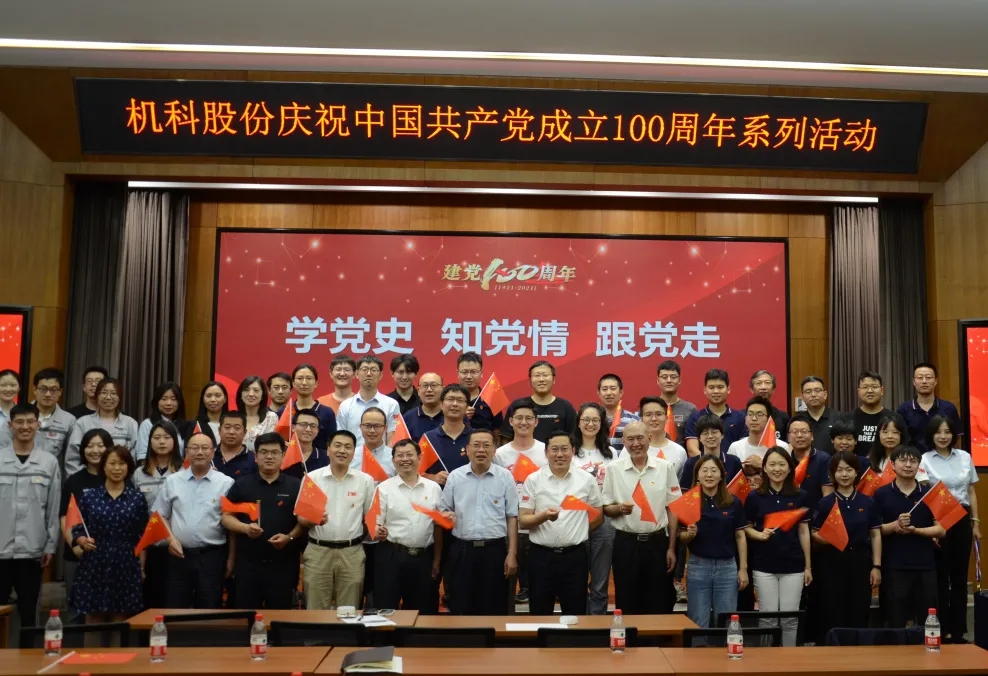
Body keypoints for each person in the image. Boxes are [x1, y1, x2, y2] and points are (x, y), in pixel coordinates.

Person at [520, 431, 602, 616]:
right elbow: (523, 521)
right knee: (540, 612)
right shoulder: (533, 480)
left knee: (575, 612)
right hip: (541, 557)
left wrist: (578, 531)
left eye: (564, 449)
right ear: (546, 453)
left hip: (575, 557)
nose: (559, 454)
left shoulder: (586, 480)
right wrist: (543, 517)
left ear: (573, 451)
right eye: (554, 449)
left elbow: (598, 516)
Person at [601, 421, 679, 614]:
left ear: (649, 439)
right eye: (630, 439)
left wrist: (671, 547)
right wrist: (618, 508)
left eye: (640, 438)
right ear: (623, 442)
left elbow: (673, 508)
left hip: (658, 543)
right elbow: (606, 508)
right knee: (627, 600)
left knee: (659, 601)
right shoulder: (614, 469)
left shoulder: (665, 467)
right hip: (626, 544)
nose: (636, 444)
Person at [221, 433, 305, 610]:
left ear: (283, 455)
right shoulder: (242, 484)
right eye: (264, 452)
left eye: (275, 452)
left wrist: (289, 537)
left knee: (280, 617)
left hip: (283, 565)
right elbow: (226, 517)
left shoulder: (296, 485)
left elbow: (304, 522)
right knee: (247, 616)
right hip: (248, 566)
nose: (269, 456)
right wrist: (245, 528)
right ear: (255, 456)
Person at [440, 429, 518, 615]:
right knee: (461, 605)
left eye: (486, 445)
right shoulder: (455, 477)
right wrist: (446, 516)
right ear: (467, 449)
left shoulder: (505, 477)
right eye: (476, 445)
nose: (481, 450)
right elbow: (443, 511)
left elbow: (512, 516)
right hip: (462, 550)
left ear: (494, 450)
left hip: (495, 551)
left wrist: (512, 553)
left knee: (494, 606)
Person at [153, 431, 235, 608]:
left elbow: (231, 524)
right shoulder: (172, 481)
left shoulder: (226, 483)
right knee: (176, 607)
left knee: (209, 607)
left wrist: (231, 558)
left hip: (212, 556)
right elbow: (160, 515)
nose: (199, 452)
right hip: (179, 555)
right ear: (187, 452)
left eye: (205, 448)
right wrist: (171, 540)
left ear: (213, 452)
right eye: (194, 448)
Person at [69, 446, 148, 622]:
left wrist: (142, 568)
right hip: (94, 563)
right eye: (112, 463)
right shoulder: (89, 497)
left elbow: (142, 536)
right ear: (103, 467)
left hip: (126, 564)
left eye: (122, 463)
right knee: (92, 620)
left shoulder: (137, 499)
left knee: (120, 621)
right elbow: (78, 528)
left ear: (129, 467)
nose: (117, 468)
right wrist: (82, 540)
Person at [744, 447, 812, 647]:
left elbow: (804, 532)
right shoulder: (755, 497)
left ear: (790, 468)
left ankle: (790, 660)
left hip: (794, 566)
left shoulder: (800, 496)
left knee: (790, 619)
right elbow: (746, 528)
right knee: (768, 619)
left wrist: (808, 566)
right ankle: (767, 659)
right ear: (764, 468)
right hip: (764, 566)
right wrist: (759, 535)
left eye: (782, 464)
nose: (777, 469)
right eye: (772, 464)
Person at [921, 415, 980, 643]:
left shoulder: (964, 457)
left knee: (959, 577)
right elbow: (924, 495)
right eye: (938, 432)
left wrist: (976, 522)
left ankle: (958, 631)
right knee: (940, 576)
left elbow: (971, 492)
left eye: (947, 432)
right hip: (939, 520)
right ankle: (942, 629)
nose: (943, 436)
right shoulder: (924, 459)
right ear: (931, 435)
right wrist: (932, 526)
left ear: (953, 434)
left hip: (962, 518)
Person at [0, 404, 60, 629]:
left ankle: (28, 651)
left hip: (32, 550)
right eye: (19, 422)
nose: (24, 427)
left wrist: (50, 546)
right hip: (0, 550)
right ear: (10, 425)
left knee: (29, 617)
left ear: (37, 424)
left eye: (29, 422)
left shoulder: (48, 462)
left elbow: (53, 508)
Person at [811, 451, 882, 641]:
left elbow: (875, 534)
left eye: (849, 470)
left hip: (860, 562)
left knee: (859, 608)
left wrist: (876, 566)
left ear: (856, 472)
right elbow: (814, 532)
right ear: (832, 474)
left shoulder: (868, 502)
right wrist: (829, 539)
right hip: (832, 562)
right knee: (832, 609)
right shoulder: (825, 503)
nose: (844, 474)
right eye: (839, 470)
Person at [874, 445, 945, 628]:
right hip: (894, 567)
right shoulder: (881, 494)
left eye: (913, 461)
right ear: (892, 464)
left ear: (919, 466)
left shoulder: (929, 493)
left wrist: (916, 531)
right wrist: (895, 526)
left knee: (927, 622)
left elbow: (941, 530)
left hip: (925, 566)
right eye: (903, 460)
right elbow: (875, 530)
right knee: (895, 621)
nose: (908, 465)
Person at [303, 430, 375, 610]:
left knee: (350, 610)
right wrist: (314, 520)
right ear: (328, 450)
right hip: (318, 551)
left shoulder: (365, 481)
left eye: (348, 447)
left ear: (353, 452)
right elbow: (301, 519)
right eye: (337, 445)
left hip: (352, 553)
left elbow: (370, 519)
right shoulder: (312, 478)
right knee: (315, 609)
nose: (342, 450)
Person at [374, 439, 443, 613]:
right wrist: (377, 531)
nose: (405, 459)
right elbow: (375, 524)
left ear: (419, 457)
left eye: (409, 454)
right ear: (393, 460)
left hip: (423, 557)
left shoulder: (433, 488)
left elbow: (438, 526)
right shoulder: (384, 488)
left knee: (421, 611)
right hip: (391, 555)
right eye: (400, 455)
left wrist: (436, 560)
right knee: (386, 608)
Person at [681, 454, 748, 629]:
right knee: (698, 621)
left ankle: (726, 647)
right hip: (698, 567)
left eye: (713, 470)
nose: (709, 475)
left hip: (727, 568)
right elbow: (681, 537)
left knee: (726, 621)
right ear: (697, 475)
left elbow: (740, 536)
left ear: (721, 475)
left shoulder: (733, 502)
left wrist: (743, 569)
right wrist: (689, 534)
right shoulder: (689, 501)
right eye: (704, 470)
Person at [493, 397, 546, 605]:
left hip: (538, 526)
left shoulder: (545, 451)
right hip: (508, 527)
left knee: (538, 587)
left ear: (536, 422)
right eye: (519, 418)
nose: (524, 422)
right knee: (505, 585)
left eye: (529, 418)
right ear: (511, 421)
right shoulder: (499, 454)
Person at [60, 428, 112, 621]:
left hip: (109, 558)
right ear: (82, 450)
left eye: (100, 445)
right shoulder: (74, 481)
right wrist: (75, 546)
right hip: (78, 556)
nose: (95, 450)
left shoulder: (117, 479)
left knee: (107, 612)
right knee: (76, 613)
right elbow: (65, 517)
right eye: (90, 446)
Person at [572, 402, 619, 615]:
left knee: (600, 582)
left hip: (604, 519)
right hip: (575, 519)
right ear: (578, 423)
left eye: (595, 420)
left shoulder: (611, 453)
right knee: (576, 579)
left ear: (602, 424)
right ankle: (579, 624)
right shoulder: (571, 451)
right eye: (586, 420)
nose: (590, 424)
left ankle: (597, 624)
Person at [132, 421, 183, 609]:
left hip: (176, 545)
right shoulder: (139, 473)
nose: (162, 442)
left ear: (175, 441)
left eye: (167, 437)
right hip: (149, 545)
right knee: (150, 599)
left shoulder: (184, 471)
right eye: (157, 437)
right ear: (149, 441)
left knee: (174, 599)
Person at [351, 407, 395, 608]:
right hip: (356, 532)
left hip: (386, 535)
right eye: (367, 425)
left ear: (385, 428)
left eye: (377, 426)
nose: (372, 430)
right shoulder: (350, 455)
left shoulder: (395, 456)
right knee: (354, 590)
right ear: (360, 427)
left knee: (381, 592)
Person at [65, 378, 139, 475]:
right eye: (103, 393)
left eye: (113, 393)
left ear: (120, 397)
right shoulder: (82, 422)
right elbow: (72, 458)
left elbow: (134, 457)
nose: (108, 397)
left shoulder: (130, 423)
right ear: (96, 396)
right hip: (88, 479)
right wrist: (84, 478)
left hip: (120, 478)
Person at [502, 360, 577, 444]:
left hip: (556, 452)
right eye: (537, 375)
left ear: (554, 379)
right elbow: (506, 438)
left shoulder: (565, 407)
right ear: (530, 380)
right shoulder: (518, 406)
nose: (541, 379)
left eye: (545, 375)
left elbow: (574, 438)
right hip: (523, 452)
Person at [898, 363, 963, 452]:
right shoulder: (903, 410)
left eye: (928, 377)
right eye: (920, 378)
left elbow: (957, 439)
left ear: (935, 381)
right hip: (913, 459)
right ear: (914, 382)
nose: (924, 381)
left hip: (943, 458)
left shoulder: (949, 408)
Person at [336, 357, 399, 448]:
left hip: (381, 456)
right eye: (364, 369)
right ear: (357, 374)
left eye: (373, 370)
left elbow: (392, 440)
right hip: (353, 456)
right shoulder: (345, 405)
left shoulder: (391, 404)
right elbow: (341, 438)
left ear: (381, 375)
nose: (369, 374)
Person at [685, 369, 747, 457]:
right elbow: (692, 450)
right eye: (711, 387)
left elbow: (744, 449)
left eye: (720, 387)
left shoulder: (740, 417)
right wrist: (711, 464)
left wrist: (730, 463)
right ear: (705, 390)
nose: (716, 391)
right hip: (704, 465)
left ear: (728, 389)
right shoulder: (695, 417)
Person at [421, 384, 474, 486]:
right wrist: (433, 477)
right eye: (450, 399)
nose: (455, 404)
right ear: (441, 404)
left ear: (467, 407)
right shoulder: (428, 438)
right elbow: (416, 472)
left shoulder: (476, 437)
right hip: (438, 493)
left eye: (460, 400)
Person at [728, 397, 791, 482]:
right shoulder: (735, 447)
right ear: (745, 419)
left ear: (768, 419)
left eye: (759, 414)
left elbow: (788, 478)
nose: (754, 418)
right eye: (750, 414)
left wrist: (762, 465)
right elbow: (729, 479)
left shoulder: (781, 447)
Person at [853, 371, 908, 459]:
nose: (870, 391)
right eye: (865, 387)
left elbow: (905, 446)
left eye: (874, 387)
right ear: (858, 392)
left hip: (888, 465)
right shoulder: (848, 418)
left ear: (882, 390)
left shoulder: (895, 418)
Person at [681, 415, 744, 491]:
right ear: (699, 438)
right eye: (705, 433)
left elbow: (741, 491)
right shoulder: (691, 463)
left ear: (722, 435)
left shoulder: (734, 462)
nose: (710, 436)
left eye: (714, 432)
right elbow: (685, 492)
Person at [284, 363, 338, 450]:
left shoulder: (327, 413)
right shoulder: (285, 411)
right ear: (293, 383)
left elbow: (332, 443)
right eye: (300, 378)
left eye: (309, 378)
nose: (304, 383)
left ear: (316, 383)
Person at [787, 413, 833, 508]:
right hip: (790, 513)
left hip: (816, 513)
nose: (799, 435)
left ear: (812, 436)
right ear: (788, 437)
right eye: (794, 432)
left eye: (804, 431)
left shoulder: (824, 459)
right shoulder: (785, 461)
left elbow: (828, 495)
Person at [31, 368, 77, 460]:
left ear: (60, 392)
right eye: (43, 389)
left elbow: (72, 456)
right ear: (35, 390)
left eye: (53, 390)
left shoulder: (69, 420)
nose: (48, 394)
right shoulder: (18, 414)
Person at [135, 381, 186, 462]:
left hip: (179, 468)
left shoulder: (184, 426)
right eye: (164, 399)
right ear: (157, 401)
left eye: (173, 399)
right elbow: (142, 456)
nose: (168, 403)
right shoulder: (148, 424)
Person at [640, 396, 688, 478]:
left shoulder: (679, 451)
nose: (654, 419)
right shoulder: (632, 449)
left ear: (666, 418)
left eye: (659, 414)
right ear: (642, 419)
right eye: (648, 415)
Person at [868, 416, 926, 481]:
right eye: (885, 432)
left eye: (895, 432)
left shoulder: (912, 458)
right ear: (878, 435)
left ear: (901, 435)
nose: (890, 436)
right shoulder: (870, 459)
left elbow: (922, 483)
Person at [458, 352, 503, 433]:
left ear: (481, 373)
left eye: (473, 372)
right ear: (458, 373)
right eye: (464, 372)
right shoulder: (448, 399)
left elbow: (497, 429)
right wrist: (460, 416)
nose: (469, 376)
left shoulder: (491, 399)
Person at [656, 360, 698, 447]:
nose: (669, 380)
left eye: (673, 377)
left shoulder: (690, 409)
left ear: (679, 380)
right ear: (658, 380)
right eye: (664, 377)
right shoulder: (650, 407)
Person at [282, 408, 329, 479]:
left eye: (313, 426)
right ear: (293, 427)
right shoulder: (282, 455)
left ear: (317, 431)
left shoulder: (326, 457)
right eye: (303, 424)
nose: (308, 429)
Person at [236, 376, 278, 452]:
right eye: (246, 390)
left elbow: (271, 447)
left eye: (256, 390)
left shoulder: (270, 418)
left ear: (262, 395)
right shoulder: (233, 418)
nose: (251, 394)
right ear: (241, 395)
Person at [597, 374, 639, 450]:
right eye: (604, 389)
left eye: (613, 389)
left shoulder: (634, 420)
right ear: (599, 393)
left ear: (621, 392)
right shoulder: (593, 420)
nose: (609, 393)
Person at [212, 410, 257, 479]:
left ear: (245, 432)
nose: (231, 432)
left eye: (237, 428)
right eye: (227, 427)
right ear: (219, 430)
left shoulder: (252, 458)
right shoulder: (209, 455)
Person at [800, 376, 839, 455]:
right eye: (808, 392)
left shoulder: (839, 418)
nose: (813, 395)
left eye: (817, 390)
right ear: (803, 397)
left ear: (825, 394)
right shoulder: (797, 421)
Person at [403, 372, 444, 441]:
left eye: (433, 385)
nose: (429, 390)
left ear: (443, 389)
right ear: (418, 391)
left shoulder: (452, 415)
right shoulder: (407, 418)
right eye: (425, 386)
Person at [749, 370, 790, 439]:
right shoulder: (742, 416)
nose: (763, 387)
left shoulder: (783, 417)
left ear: (773, 389)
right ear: (751, 389)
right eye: (758, 383)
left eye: (767, 383)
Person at [189, 381, 230, 447]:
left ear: (225, 399)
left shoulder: (231, 425)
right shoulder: (194, 426)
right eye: (208, 396)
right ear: (203, 399)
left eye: (217, 395)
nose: (213, 399)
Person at [0, 369, 21, 448]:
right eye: (3, 385)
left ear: (19, 388)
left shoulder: (23, 413)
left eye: (13, 385)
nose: (8, 389)